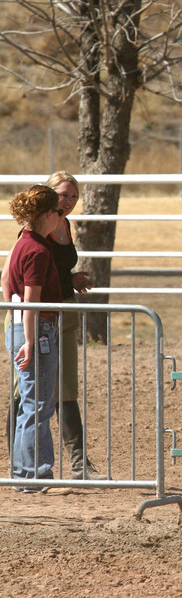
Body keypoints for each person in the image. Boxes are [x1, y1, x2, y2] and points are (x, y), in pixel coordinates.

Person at [3, 172, 98, 480]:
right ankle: (28, 468)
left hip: (53, 315)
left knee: (54, 392)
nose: (66, 205)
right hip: (37, 322)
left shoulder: (51, 233)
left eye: (72, 197)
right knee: (32, 400)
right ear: (47, 208)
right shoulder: (34, 243)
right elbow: (23, 290)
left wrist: (68, 281)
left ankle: (61, 465)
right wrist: (21, 323)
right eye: (60, 200)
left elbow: (33, 282)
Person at [5, 185, 65, 492]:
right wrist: (30, 340)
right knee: (37, 405)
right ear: (47, 215)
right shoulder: (39, 251)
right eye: (57, 211)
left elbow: (6, 283)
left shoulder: (22, 243)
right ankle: (34, 474)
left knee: (31, 403)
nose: (60, 216)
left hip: (21, 327)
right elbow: (31, 303)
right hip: (37, 331)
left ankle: (24, 472)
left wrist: (16, 325)